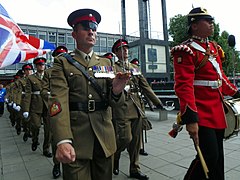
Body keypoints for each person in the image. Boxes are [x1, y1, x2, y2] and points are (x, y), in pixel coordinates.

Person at [48, 8, 129, 180]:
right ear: (74, 34)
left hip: (104, 136)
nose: (91, 31)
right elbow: (58, 102)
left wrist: (116, 90)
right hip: (76, 137)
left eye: (94, 27)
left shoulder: (106, 62)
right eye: (85, 27)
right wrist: (63, 140)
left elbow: (114, 102)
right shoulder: (62, 62)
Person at [171, 7, 240, 180]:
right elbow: (184, 87)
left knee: (218, 159)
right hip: (200, 111)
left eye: (211, 21)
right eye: (207, 21)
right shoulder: (185, 50)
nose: (212, 24)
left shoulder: (214, 48)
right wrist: (190, 119)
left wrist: (236, 92)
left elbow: (220, 78)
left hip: (217, 110)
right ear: (194, 26)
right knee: (209, 156)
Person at [112, 39, 163, 180]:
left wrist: (157, 102)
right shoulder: (113, 68)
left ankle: (135, 168)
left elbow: (145, 86)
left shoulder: (134, 68)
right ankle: (115, 157)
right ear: (116, 52)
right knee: (124, 138)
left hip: (136, 107)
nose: (125, 51)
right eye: (122, 49)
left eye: (127, 48)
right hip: (122, 107)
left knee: (136, 141)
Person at [41, 45, 68, 179]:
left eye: (64, 55)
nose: (62, 57)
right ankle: (56, 165)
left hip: (72, 109)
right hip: (56, 108)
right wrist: (54, 98)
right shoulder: (49, 72)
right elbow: (44, 91)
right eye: (59, 55)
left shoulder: (72, 69)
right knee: (56, 136)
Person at [21, 57, 52, 158]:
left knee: (48, 130)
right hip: (35, 106)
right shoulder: (31, 78)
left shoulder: (49, 76)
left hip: (47, 105)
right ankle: (35, 139)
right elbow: (28, 94)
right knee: (36, 126)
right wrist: (26, 109)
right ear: (36, 66)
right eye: (39, 65)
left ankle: (46, 149)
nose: (41, 66)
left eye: (43, 64)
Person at [19, 63, 34, 142]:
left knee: (34, 120)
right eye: (27, 70)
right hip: (24, 100)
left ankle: (31, 132)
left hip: (34, 101)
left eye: (30, 70)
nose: (28, 71)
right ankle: (26, 130)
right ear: (24, 71)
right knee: (26, 118)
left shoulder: (35, 78)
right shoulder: (21, 81)